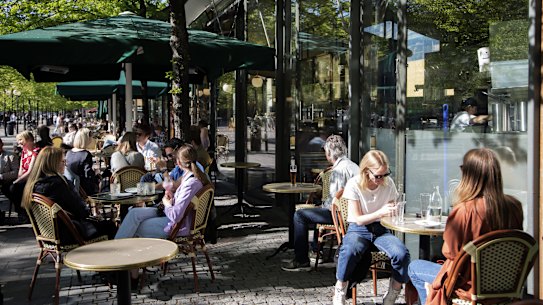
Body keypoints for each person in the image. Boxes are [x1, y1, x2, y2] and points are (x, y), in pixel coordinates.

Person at [407, 148, 523, 305]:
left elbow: (449, 251)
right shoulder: (514, 206)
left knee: (414, 267)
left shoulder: (465, 210)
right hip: (505, 287)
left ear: (469, 175)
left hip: (468, 286)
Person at [115, 144, 211, 282]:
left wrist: (166, 203)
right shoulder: (189, 176)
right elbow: (170, 185)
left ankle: (127, 274)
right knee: (134, 213)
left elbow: (176, 215)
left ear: (178, 162)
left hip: (178, 225)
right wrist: (169, 195)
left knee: (134, 228)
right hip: (172, 215)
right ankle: (116, 257)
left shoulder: (191, 182)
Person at [333, 150, 410, 305]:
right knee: (349, 251)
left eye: (385, 174)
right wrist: (381, 211)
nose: (382, 179)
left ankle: (392, 296)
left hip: (381, 229)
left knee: (401, 254)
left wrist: (394, 211)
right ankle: (340, 289)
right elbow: (359, 219)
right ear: (366, 171)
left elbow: (391, 211)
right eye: (378, 176)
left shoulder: (388, 184)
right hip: (358, 229)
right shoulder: (354, 184)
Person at [282, 135, 359, 271]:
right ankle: (316, 250)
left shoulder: (337, 171)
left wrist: (320, 206)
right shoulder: (354, 166)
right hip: (354, 214)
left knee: (300, 215)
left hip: (341, 216)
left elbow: (334, 203)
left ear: (329, 153)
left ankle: (301, 260)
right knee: (316, 211)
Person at [21, 146, 116, 243]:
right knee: (110, 226)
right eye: (63, 162)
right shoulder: (59, 184)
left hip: (46, 235)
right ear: (54, 164)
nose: (65, 165)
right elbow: (81, 211)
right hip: (70, 234)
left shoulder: (33, 185)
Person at [10, 131, 38, 217]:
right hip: (24, 178)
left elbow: (30, 171)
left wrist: (17, 181)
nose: (19, 143)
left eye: (20, 140)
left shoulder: (35, 152)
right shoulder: (24, 151)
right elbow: (21, 168)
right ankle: (20, 210)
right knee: (8, 187)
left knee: (14, 188)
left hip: (33, 178)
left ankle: (23, 212)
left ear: (28, 139)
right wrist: (18, 178)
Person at [65, 128, 99, 196]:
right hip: (83, 189)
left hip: (71, 187)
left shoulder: (69, 153)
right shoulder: (85, 155)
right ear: (86, 139)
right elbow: (88, 176)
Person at [0, 137, 20, 216]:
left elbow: (15, 172)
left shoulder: (10, 156)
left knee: (13, 190)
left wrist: (2, 176)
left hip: (7, 182)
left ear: (2, 144)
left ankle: (20, 212)